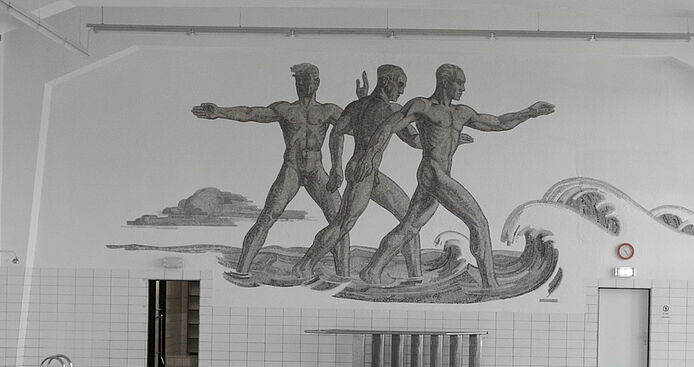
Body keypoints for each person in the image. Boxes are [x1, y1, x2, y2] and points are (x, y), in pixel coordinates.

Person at [351, 63, 555, 289]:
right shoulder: (423, 106)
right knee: (479, 222)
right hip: (433, 173)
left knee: (409, 227)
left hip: (437, 177)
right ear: (445, 83)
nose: (463, 89)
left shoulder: (462, 113)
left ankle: (372, 270)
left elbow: (499, 123)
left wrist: (531, 112)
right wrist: (369, 155)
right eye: (459, 84)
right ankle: (490, 284)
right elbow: (388, 126)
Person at [192, 63, 349, 279]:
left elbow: (354, 127)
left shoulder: (328, 110)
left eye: (307, 80)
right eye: (298, 81)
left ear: (317, 83)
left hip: (317, 171)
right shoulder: (285, 109)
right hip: (292, 169)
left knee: (340, 221)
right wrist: (220, 112)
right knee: (267, 217)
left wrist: (337, 165)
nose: (302, 85)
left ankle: (343, 276)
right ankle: (241, 272)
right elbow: (250, 113)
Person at [293, 65, 434, 281]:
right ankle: (304, 266)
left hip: (366, 171)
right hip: (363, 171)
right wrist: (439, 139)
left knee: (408, 217)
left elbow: (336, 133)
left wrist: (337, 167)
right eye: (400, 84)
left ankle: (415, 276)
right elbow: (414, 140)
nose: (402, 91)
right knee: (343, 224)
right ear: (386, 81)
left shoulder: (357, 105)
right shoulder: (392, 110)